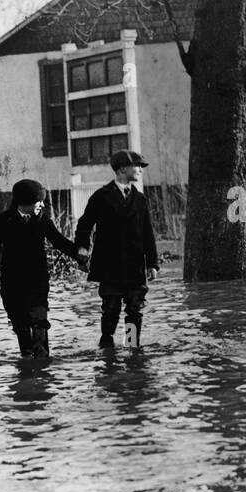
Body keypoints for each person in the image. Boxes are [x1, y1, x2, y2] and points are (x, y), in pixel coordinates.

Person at [0, 178, 86, 358]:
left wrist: (79, 255)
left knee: (39, 322)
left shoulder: (43, 221)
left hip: (37, 282)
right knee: (21, 327)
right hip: (12, 285)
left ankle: (43, 366)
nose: (42, 205)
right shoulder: (4, 221)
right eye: (38, 201)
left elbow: (60, 242)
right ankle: (27, 364)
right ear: (25, 202)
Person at [74, 149, 160, 349]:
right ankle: (107, 347)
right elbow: (84, 224)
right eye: (137, 166)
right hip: (109, 266)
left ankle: (132, 347)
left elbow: (148, 233)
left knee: (135, 310)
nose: (140, 170)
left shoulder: (140, 200)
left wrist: (153, 263)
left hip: (135, 267)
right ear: (122, 169)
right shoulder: (101, 197)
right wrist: (83, 248)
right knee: (111, 309)